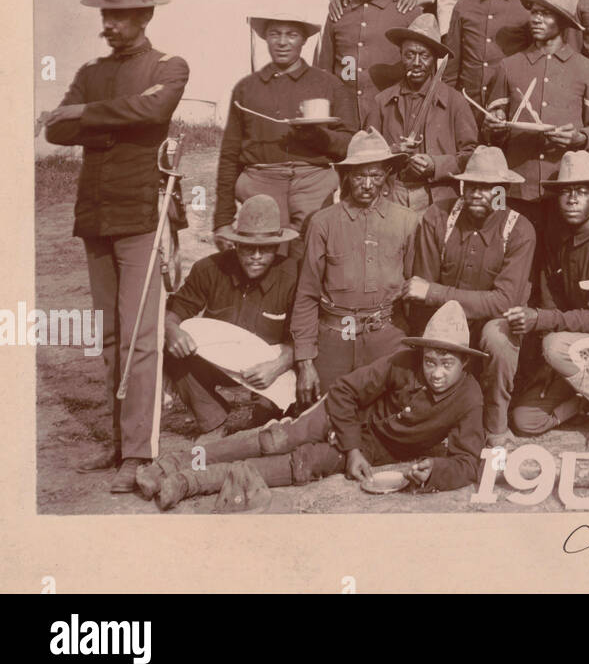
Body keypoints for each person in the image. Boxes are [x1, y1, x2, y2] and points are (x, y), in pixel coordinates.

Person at [42, 0, 190, 491]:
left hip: (142, 216)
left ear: (145, 16)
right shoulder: (90, 70)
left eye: (120, 15)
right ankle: (116, 441)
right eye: (106, 15)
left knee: (140, 337)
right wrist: (101, 114)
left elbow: (155, 108)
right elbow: (55, 128)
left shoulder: (169, 66)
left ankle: (140, 454)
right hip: (96, 217)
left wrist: (86, 113)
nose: (109, 24)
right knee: (109, 336)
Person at [141, 300, 487, 510]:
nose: (437, 373)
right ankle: (170, 464)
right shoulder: (401, 361)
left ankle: (188, 483)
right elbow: (345, 392)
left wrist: (434, 473)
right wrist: (351, 446)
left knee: (303, 464)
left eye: (447, 364)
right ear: (421, 354)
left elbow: (468, 462)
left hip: (374, 448)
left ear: (464, 364)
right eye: (430, 362)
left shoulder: (470, 398)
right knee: (277, 439)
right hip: (340, 413)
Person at [403, 146, 538, 446]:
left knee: (500, 339)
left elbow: (503, 301)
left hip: (491, 322)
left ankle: (496, 424)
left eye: (489, 187)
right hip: (444, 321)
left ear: (503, 190)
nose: (478, 193)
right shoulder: (439, 217)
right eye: (472, 185)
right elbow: (420, 290)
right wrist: (432, 302)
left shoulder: (520, 229)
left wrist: (435, 293)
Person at [508, 151, 589, 450]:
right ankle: (581, 403)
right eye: (566, 192)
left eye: (582, 192)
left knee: (555, 346)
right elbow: (550, 298)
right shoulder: (556, 236)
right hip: (570, 342)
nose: (573, 199)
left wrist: (542, 321)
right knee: (525, 420)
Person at [290, 129, 422, 399]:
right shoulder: (322, 222)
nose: (367, 184)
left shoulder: (407, 221)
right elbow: (306, 295)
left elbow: (415, 290)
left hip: (387, 336)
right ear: (347, 175)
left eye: (375, 175)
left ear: (387, 174)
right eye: (360, 175)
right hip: (335, 337)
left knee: (392, 416)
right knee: (324, 419)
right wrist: (305, 363)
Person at [159, 196, 299, 439]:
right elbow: (174, 312)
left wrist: (278, 366)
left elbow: (309, 335)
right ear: (235, 244)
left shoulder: (294, 275)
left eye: (265, 248)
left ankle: (267, 408)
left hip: (272, 366)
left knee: (269, 425)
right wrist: (171, 330)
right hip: (221, 361)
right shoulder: (209, 269)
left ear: (277, 247)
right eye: (247, 247)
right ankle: (213, 419)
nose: (255, 256)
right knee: (171, 348)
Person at [482, 0, 589, 235]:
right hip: (518, 190)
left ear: (562, 22)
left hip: (565, 192)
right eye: (534, 13)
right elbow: (491, 135)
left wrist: (578, 138)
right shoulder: (509, 66)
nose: (536, 19)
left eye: (545, 14)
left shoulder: (588, 70)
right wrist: (494, 126)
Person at [216, 11, 353, 244]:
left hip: (313, 181)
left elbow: (350, 144)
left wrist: (318, 137)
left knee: (310, 253)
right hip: (260, 179)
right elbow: (230, 155)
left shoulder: (329, 84)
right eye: (274, 34)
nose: (282, 42)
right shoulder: (247, 88)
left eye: (292, 34)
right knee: (264, 254)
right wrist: (222, 219)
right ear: (265, 38)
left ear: (304, 40)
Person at [362, 13, 477, 211]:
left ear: (434, 59)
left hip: (438, 200)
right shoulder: (382, 101)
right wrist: (394, 151)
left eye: (424, 55)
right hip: (392, 195)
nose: (416, 62)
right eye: (409, 55)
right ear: (401, 56)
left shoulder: (455, 101)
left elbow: (472, 155)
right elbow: (364, 155)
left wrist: (436, 165)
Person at [316, 0, 413, 126]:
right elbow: (325, 70)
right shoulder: (339, 12)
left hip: (390, 117)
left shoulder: (404, 11)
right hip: (346, 117)